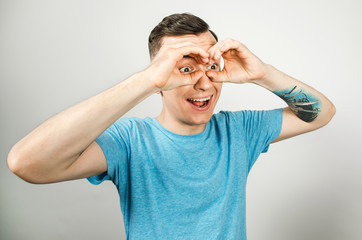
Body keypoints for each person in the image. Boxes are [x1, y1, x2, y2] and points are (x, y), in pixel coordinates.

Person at [7, 13, 335, 240]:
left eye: (210, 68)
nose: (204, 85)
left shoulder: (238, 131)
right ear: (161, 78)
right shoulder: (130, 141)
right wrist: (147, 80)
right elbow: (26, 163)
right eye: (184, 69)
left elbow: (321, 113)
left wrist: (261, 72)